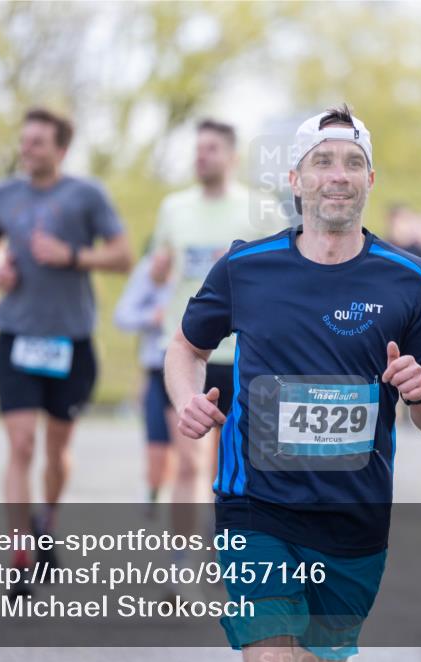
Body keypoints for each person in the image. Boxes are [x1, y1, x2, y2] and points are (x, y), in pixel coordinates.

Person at [164, 105, 421, 662]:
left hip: (354, 516)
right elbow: (186, 347)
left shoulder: (411, 281)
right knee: (271, 658)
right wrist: (187, 399)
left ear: (370, 180)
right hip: (256, 506)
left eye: (352, 163)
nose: (337, 175)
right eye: (322, 161)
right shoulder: (246, 268)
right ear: (296, 179)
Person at [0, 107, 132, 595]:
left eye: (37, 142)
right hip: (16, 335)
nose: (26, 149)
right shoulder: (4, 193)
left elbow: (123, 255)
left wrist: (72, 256)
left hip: (71, 340)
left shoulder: (87, 195)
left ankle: (47, 520)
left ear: (61, 149)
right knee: (21, 444)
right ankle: (19, 555)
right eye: (24, 140)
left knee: (57, 450)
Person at [150, 119, 282, 556]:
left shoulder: (261, 209)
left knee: (235, 465)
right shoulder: (173, 208)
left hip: (245, 355)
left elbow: (285, 276)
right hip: (189, 351)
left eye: (211, 148)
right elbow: (160, 271)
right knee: (188, 459)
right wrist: (158, 271)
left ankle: (221, 546)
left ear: (232, 156)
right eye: (197, 148)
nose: (201, 156)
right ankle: (182, 562)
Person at [114, 248, 175, 509]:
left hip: (196, 369)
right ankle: (154, 490)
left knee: (191, 452)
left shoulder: (205, 262)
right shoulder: (150, 268)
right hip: (157, 369)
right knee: (156, 449)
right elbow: (122, 316)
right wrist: (152, 316)